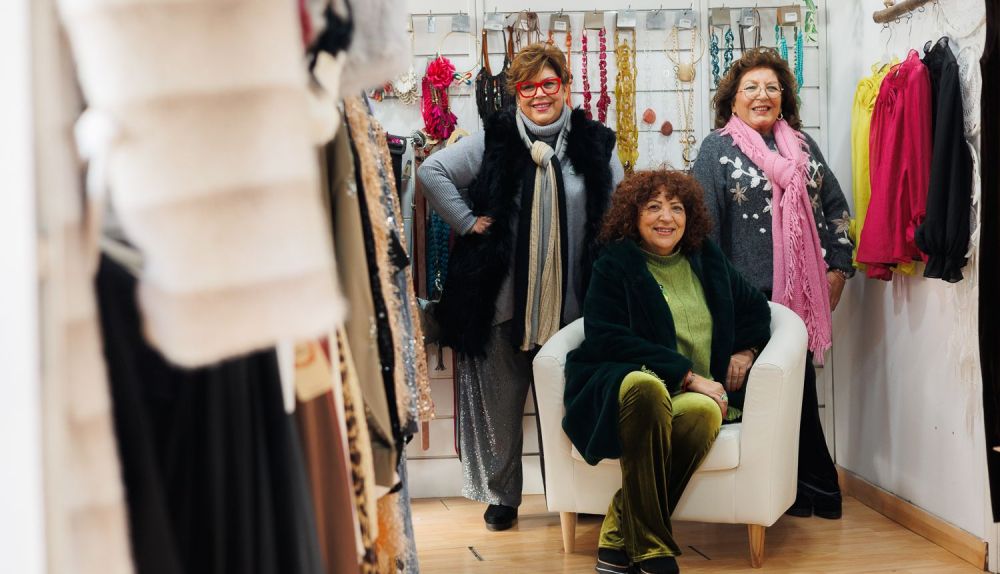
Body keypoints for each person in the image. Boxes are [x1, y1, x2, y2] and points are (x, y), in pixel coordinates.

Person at [417, 42, 624, 531]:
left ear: (566, 86)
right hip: (500, 300)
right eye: (528, 87)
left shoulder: (594, 143)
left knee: (565, 408)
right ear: (516, 93)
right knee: (501, 409)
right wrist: (468, 222)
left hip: (572, 309)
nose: (539, 95)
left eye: (549, 84)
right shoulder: (494, 138)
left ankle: (573, 495)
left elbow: (616, 211)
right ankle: (503, 498)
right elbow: (432, 171)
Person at [563, 170, 771, 574]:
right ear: (633, 215)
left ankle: (617, 537)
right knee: (646, 388)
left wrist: (745, 352)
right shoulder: (614, 263)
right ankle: (653, 549)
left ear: (688, 216)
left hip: (692, 391)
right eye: (654, 206)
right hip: (623, 380)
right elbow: (606, 337)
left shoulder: (706, 258)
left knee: (707, 412)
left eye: (676, 208)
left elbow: (756, 309)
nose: (666, 217)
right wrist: (688, 376)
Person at [691, 47, 854, 519]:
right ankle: (795, 493)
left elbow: (837, 209)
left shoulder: (802, 148)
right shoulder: (716, 150)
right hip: (747, 300)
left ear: (783, 97)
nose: (762, 95)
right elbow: (703, 236)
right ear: (732, 99)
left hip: (803, 296)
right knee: (759, 399)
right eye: (751, 88)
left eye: (772, 87)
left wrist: (840, 269)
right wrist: (733, 319)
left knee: (795, 394)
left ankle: (805, 492)